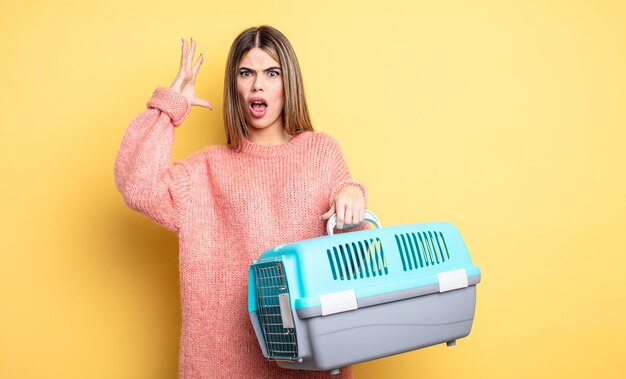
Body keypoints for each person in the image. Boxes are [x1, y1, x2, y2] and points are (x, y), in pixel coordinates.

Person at [115, 25, 367, 378]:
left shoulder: (321, 153)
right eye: (246, 73)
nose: (257, 85)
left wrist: (354, 202)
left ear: (288, 82)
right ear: (235, 86)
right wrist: (169, 108)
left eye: (271, 73)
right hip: (221, 368)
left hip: (309, 368)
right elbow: (137, 186)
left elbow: (355, 263)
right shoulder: (206, 170)